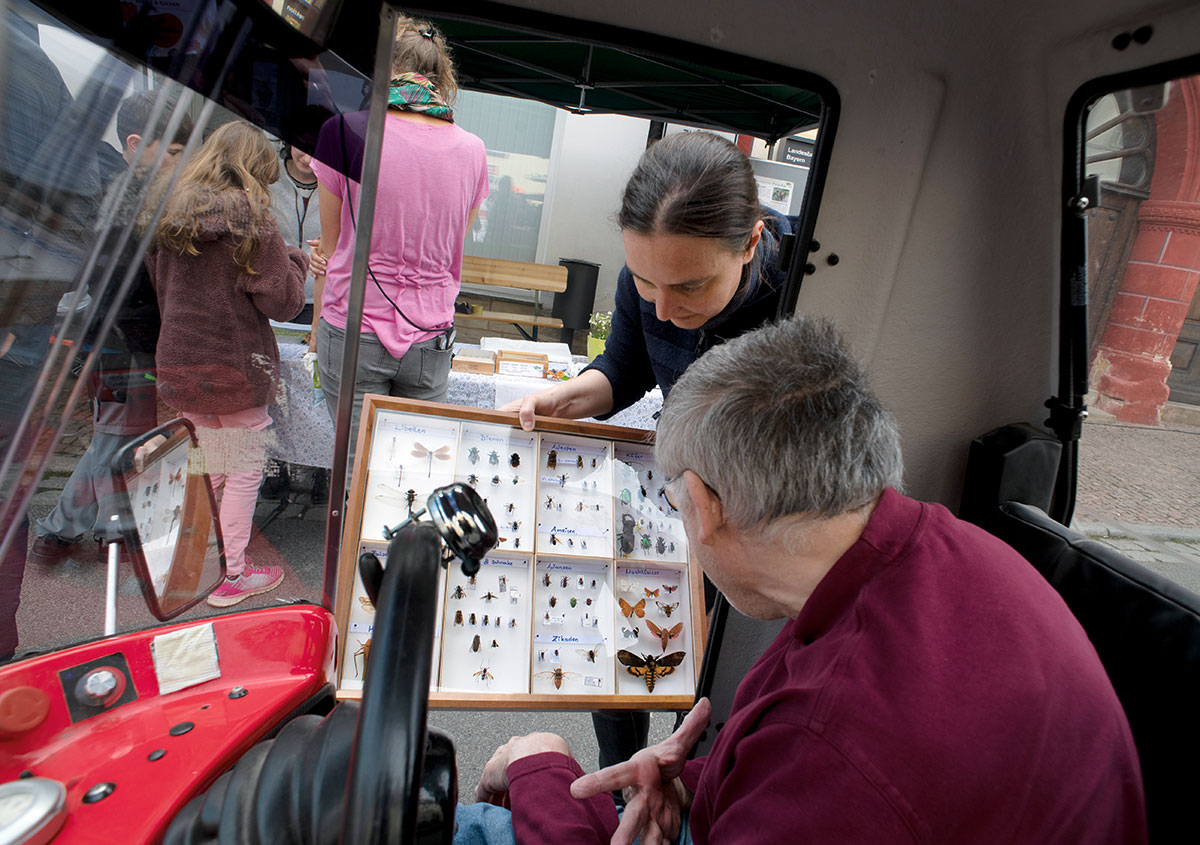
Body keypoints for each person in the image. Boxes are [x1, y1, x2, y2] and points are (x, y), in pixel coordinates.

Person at [460, 317, 1148, 845]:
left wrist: (539, 761)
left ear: (702, 506)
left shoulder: (841, 743)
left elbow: (826, 770)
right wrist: (701, 781)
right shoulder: (937, 544)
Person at [501, 130, 800, 780]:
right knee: (622, 648)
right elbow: (625, 367)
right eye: (644, 282)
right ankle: (623, 780)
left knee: (725, 683)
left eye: (689, 286)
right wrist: (571, 396)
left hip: (757, 516)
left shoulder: (802, 296)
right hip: (670, 495)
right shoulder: (655, 279)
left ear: (750, 243)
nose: (663, 306)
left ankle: (700, 789)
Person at [28, 90, 194, 566]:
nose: (180, 165)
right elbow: (124, 285)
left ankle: (75, 528)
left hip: (121, 340)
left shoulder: (122, 192)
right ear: (138, 144)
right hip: (124, 342)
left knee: (116, 436)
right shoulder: (126, 200)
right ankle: (76, 529)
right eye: (175, 154)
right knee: (114, 439)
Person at [144, 121, 306, 608]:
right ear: (255, 168)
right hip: (233, 367)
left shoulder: (167, 216)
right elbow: (284, 303)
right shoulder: (253, 222)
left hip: (178, 359)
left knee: (211, 463)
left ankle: (202, 562)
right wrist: (296, 261)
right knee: (243, 467)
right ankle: (232, 573)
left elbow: (161, 290)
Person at [308, 15, 488, 448]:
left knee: (358, 473)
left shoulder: (343, 133)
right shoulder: (473, 150)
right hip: (430, 338)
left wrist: (316, 329)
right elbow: (451, 247)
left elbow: (332, 250)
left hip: (354, 329)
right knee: (417, 469)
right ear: (441, 79)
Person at [261, 141, 327, 505]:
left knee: (318, 387)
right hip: (275, 293)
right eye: (304, 146)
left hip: (322, 298)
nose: (310, 156)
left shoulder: (336, 185)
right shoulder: (270, 183)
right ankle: (275, 466)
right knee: (274, 383)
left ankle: (322, 469)